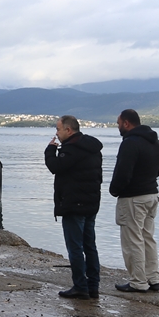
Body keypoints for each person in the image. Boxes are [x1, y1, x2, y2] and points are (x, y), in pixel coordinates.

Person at [44, 115, 103, 299]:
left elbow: (55, 167)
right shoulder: (92, 148)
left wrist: (49, 150)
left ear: (68, 130)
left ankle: (80, 286)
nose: (57, 133)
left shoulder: (71, 149)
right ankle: (93, 285)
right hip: (91, 203)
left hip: (73, 204)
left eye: (58, 129)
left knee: (75, 247)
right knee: (90, 245)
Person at [109, 108, 159, 293]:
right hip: (151, 195)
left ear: (126, 123)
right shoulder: (154, 141)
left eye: (118, 123)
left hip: (133, 198)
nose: (118, 127)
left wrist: (114, 190)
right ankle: (153, 278)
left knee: (133, 240)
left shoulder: (129, 143)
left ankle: (138, 282)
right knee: (148, 238)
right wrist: (147, 178)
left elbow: (123, 173)